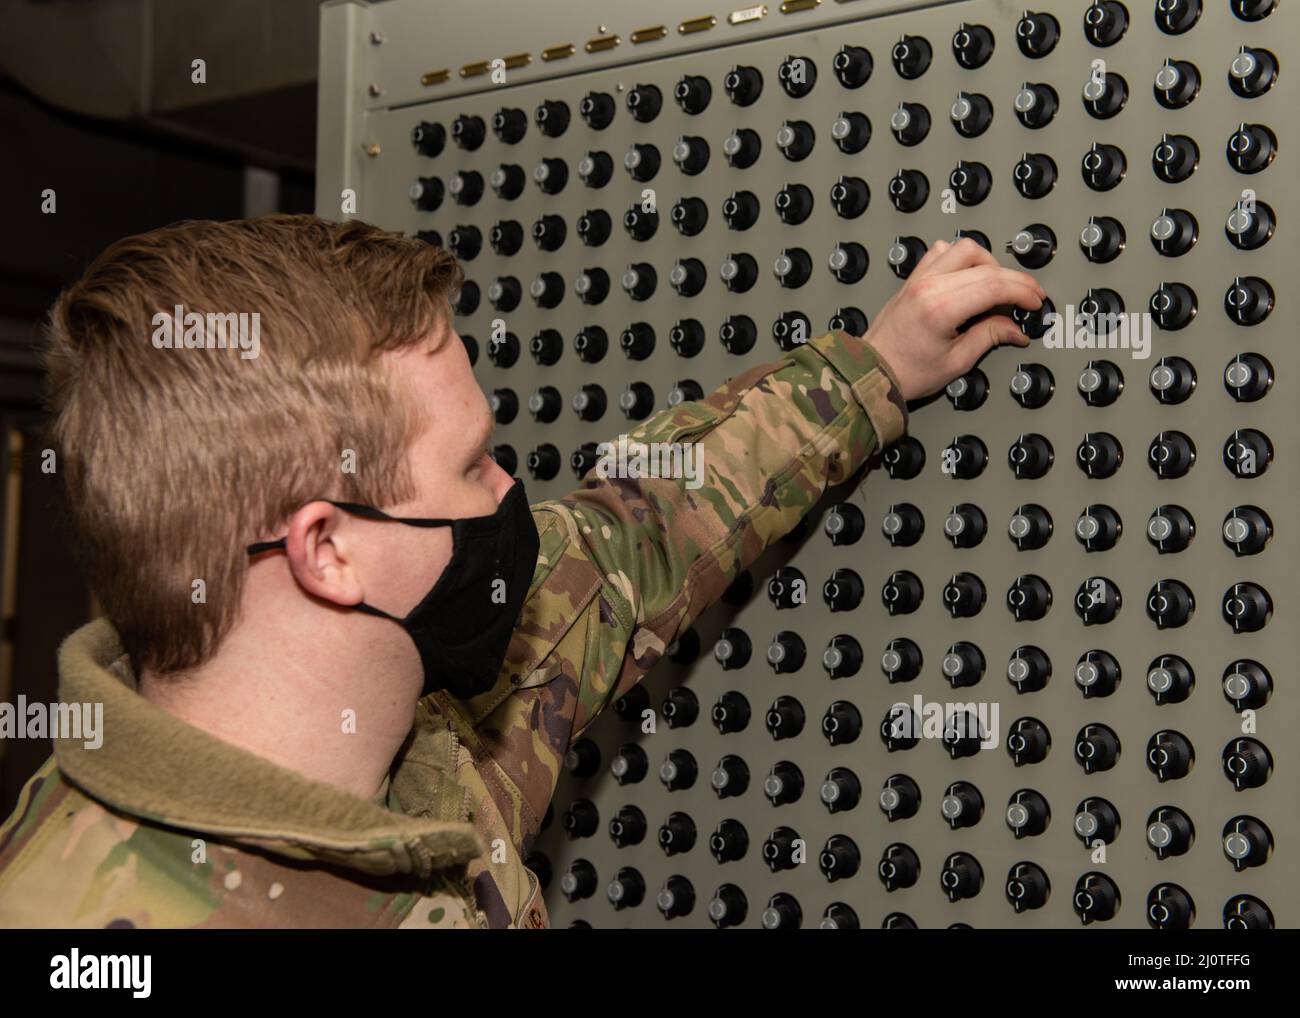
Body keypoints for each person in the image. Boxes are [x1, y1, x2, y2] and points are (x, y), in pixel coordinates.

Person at [0, 216, 1043, 927]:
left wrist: (873, 368)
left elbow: (632, 539)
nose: (507, 488)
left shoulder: (422, 734)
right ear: (328, 550)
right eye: (470, 465)